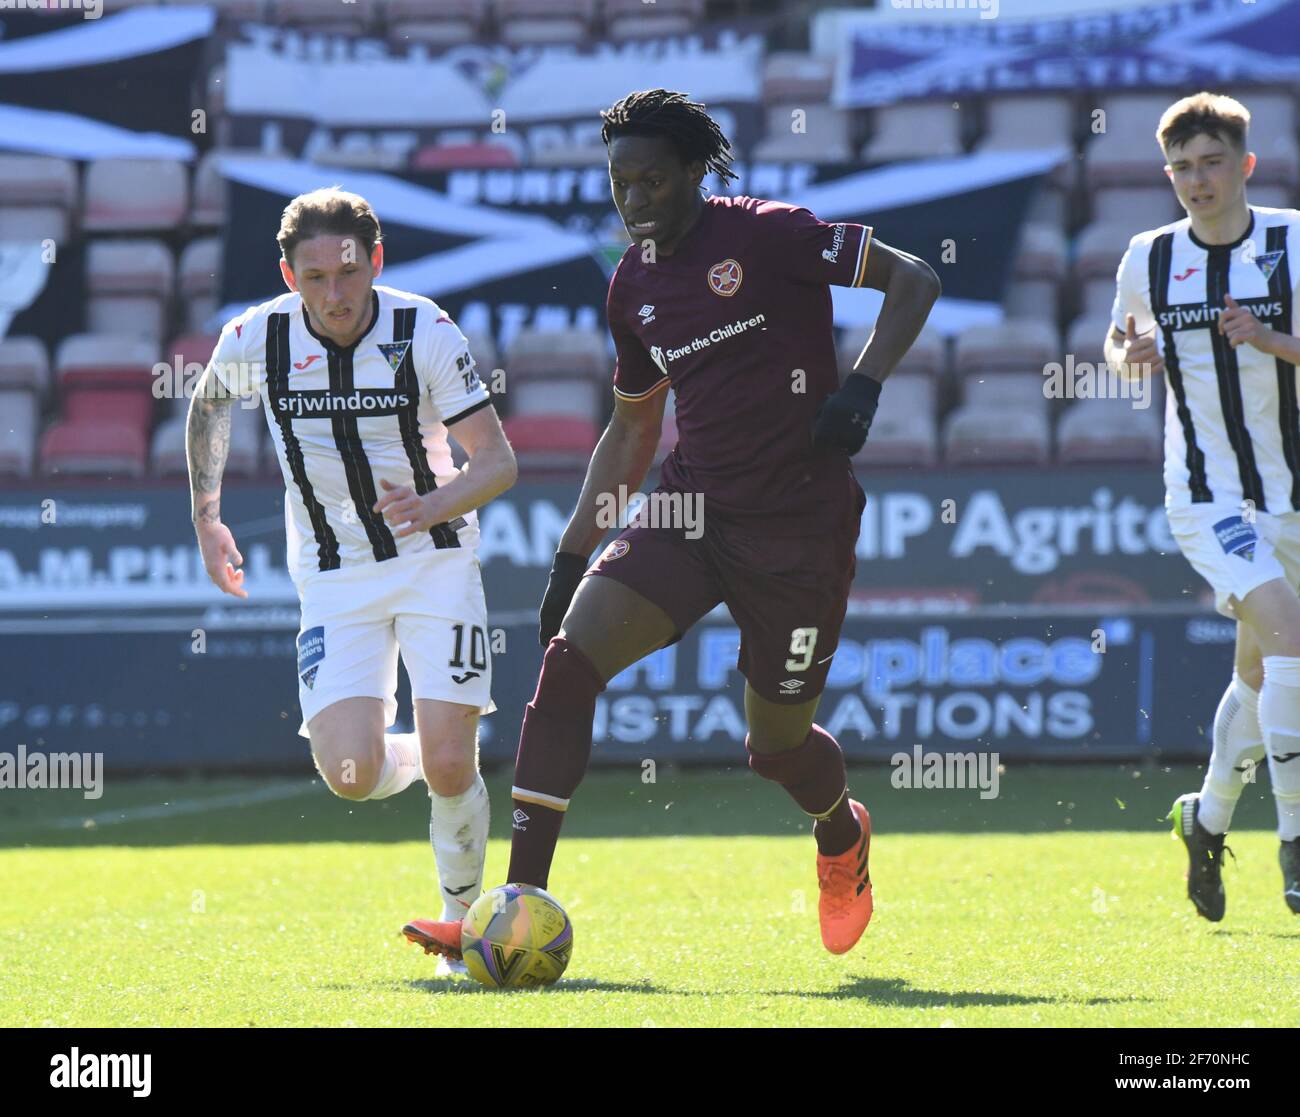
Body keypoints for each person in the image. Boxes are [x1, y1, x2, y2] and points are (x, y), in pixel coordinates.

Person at [403, 88, 939, 963]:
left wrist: (864, 386)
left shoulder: (770, 233)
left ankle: (840, 834)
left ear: (696, 170)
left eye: (653, 179)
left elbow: (916, 279)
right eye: (621, 183)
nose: (636, 198)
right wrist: (572, 555)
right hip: (693, 510)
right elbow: (632, 429)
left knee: (776, 749)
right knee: (569, 659)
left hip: (798, 529)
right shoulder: (634, 284)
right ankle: (515, 902)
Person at [187, 187, 517, 975]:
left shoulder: (424, 328)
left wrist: (433, 501)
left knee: (448, 764)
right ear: (287, 274)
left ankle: (459, 921)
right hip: (334, 577)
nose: (333, 295)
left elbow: (498, 462)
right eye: (313, 279)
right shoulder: (256, 335)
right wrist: (207, 514)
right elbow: (208, 405)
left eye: (346, 273)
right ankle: (432, 752)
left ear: (374, 260)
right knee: (349, 775)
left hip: (435, 560)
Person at [1104, 92, 1300, 920]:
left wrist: (1273, 339)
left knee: (1259, 676)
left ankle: (1207, 818)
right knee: (1291, 638)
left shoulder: (1292, 241)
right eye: (1181, 166)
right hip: (1208, 494)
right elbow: (1117, 347)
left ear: (1245, 165)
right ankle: (1296, 839)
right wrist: (1131, 355)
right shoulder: (1148, 256)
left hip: (1292, 496)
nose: (1196, 179)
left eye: (1211, 161)